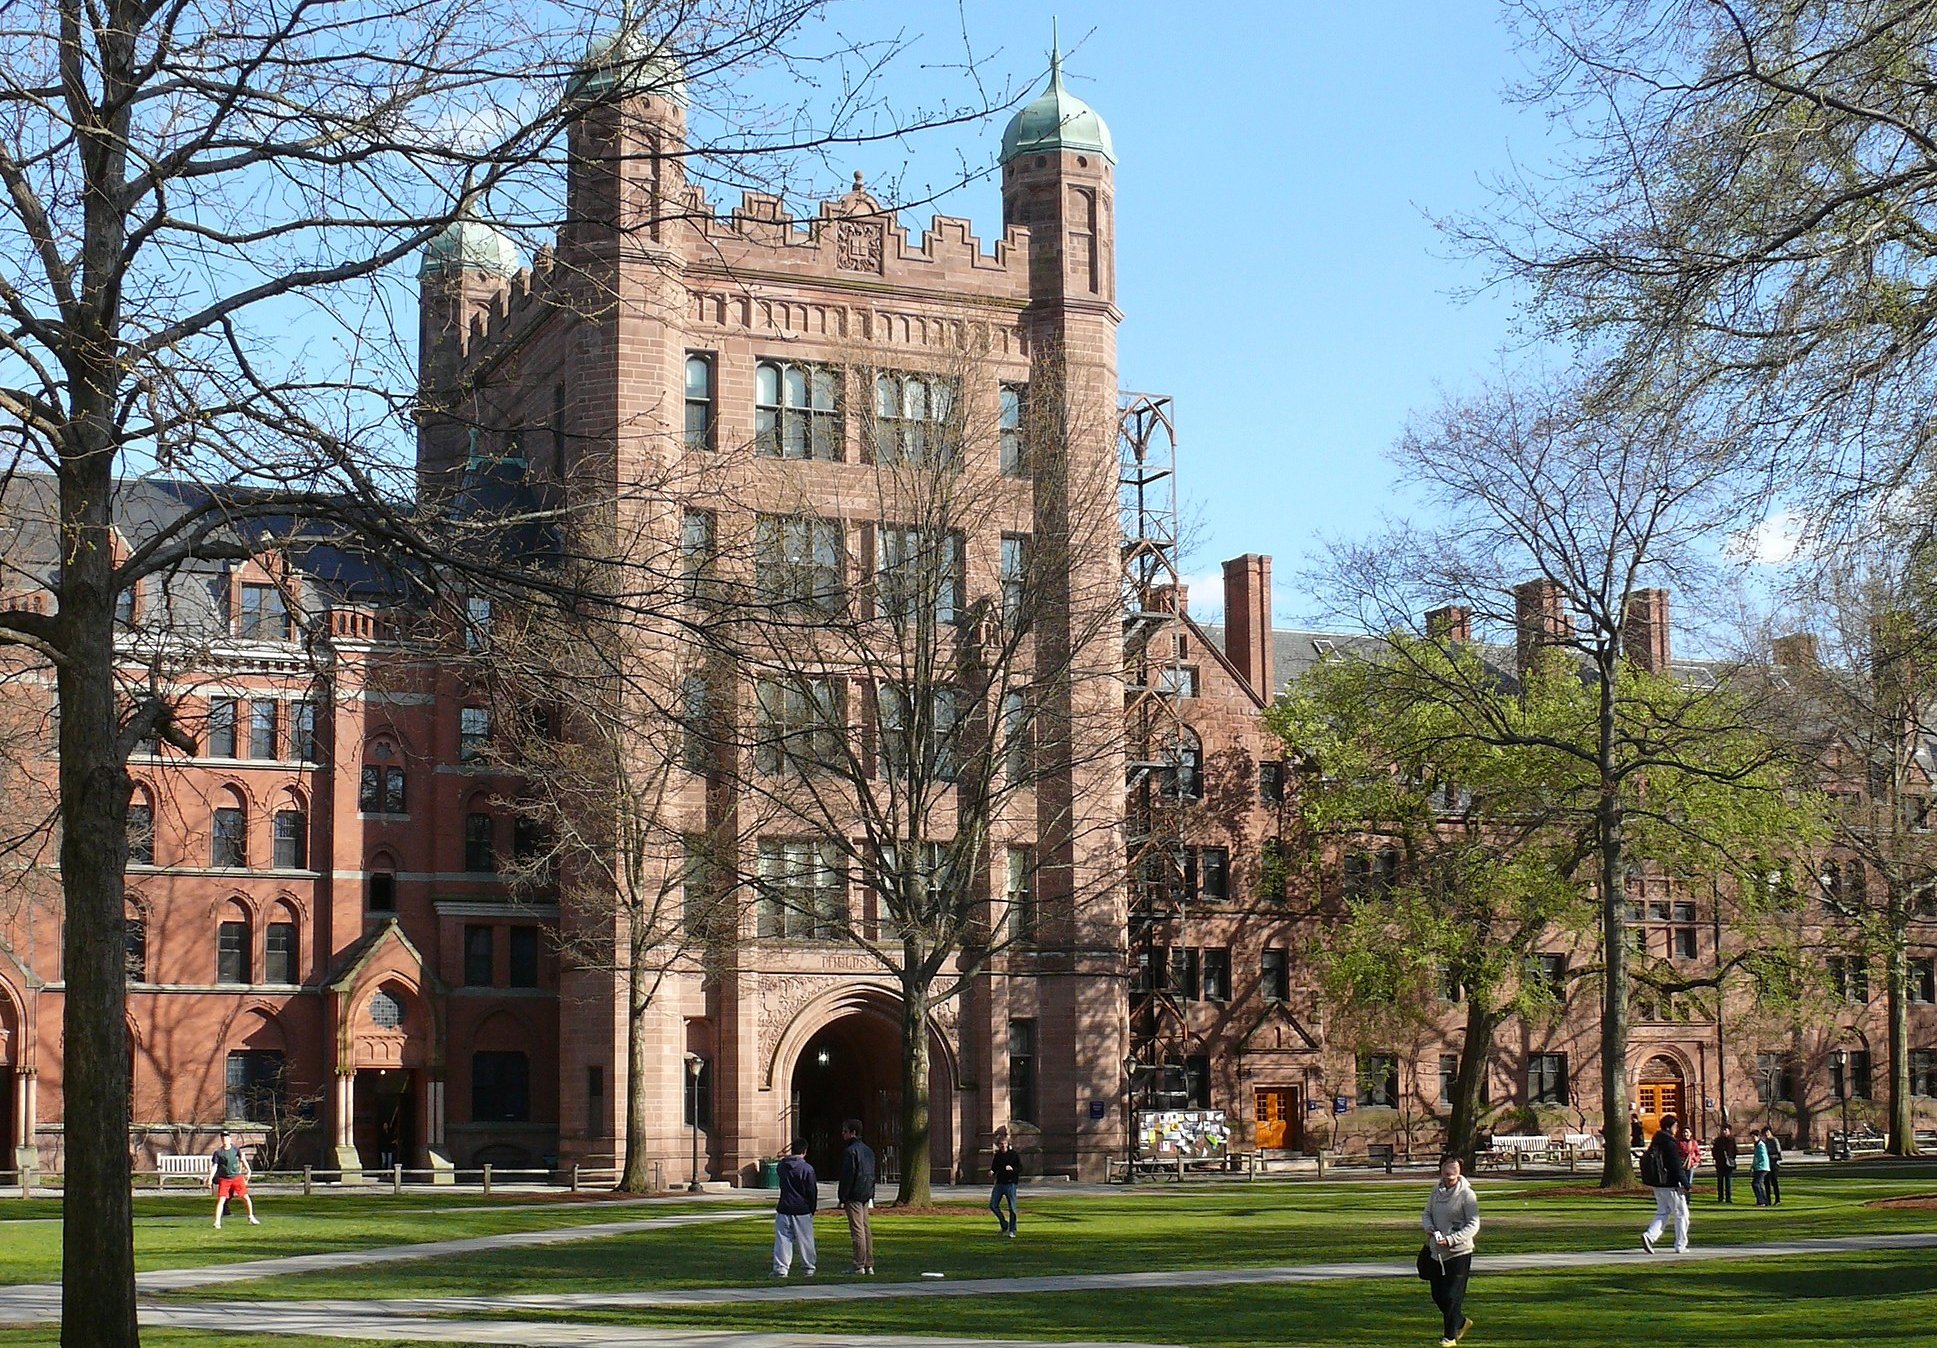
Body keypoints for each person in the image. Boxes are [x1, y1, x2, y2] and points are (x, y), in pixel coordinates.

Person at [1419, 1154, 1479, 1347]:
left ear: (1460, 1171)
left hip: (1459, 1252)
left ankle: (1449, 1337)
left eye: (1454, 1169)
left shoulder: (1467, 1195)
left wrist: (1452, 1239)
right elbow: (1427, 1213)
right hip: (1437, 1252)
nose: (1450, 1173)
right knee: (1438, 1295)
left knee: (1453, 1296)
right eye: (1447, 1169)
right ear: (1441, 1170)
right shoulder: (1436, 1191)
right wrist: (1429, 1228)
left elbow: (1473, 1224)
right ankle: (1460, 1322)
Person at [1640, 1115, 1690, 1253]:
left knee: (1663, 1212)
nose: (1676, 1129)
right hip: (1671, 1183)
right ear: (1669, 1127)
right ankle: (1681, 1244)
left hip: (1658, 1183)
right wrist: (1686, 1184)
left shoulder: (1656, 1141)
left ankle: (1650, 1235)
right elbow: (1676, 1166)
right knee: (1681, 1214)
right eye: (1675, 1126)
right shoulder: (1670, 1143)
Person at [772, 1137, 818, 1278]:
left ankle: (781, 1268)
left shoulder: (782, 1166)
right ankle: (808, 1266)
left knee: (783, 1240)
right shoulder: (807, 1169)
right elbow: (811, 1191)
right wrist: (812, 1208)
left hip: (784, 1206)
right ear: (804, 1151)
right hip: (801, 1208)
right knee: (805, 1240)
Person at [837, 1119, 875, 1275]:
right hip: (866, 1192)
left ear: (852, 1133)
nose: (843, 1134)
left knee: (857, 1230)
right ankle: (868, 1263)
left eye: (845, 1131)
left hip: (854, 1194)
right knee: (865, 1229)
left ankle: (859, 1264)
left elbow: (848, 1176)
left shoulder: (850, 1151)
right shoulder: (868, 1151)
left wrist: (842, 1196)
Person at [207, 1131, 259, 1229]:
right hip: (224, 1179)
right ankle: (217, 1222)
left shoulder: (236, 1149)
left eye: (226, 1138)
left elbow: (243, 1160)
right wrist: (210, 1179)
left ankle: (251, 1216)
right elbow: (214, 1166)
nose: (224, 1140)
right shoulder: (218, 1153)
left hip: (237, 1178)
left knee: (245, 1197)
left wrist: (248, 1171)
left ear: (230, 1139)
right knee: (222, 1199)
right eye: (223, 1138)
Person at [990, 1127, 1021, 1238]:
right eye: (1001, 1145)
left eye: (1004, 1144)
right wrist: (992, 1171)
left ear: (1007, 1144)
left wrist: (1012, 1168)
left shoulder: (1013, 1155)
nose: (1003, 1146)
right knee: (993, 1205)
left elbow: (1020, 1168)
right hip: (999, 1183)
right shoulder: (998, 1155)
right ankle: (1004, 1224)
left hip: (1010, 1183)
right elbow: (995, 1167)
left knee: (1012, 1208)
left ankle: (1013, 1230)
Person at [1712, 1123, 1738, 1203]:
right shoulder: (1718, 1140)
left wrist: (1731, 1158)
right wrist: (1716, 1158)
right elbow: (1714, 1151)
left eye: (1725, 1130)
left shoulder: (1732, 1140)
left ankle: (1728, 1198)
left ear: (1729, 1131)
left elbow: (1735, 1151)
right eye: (1722, 1130)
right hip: (1720, 1163)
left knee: (1728, 1181)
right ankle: (1720, 1197)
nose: (1723, 1132)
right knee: (1720, 1182)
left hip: (1728, 1164)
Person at [1750, 1128, 1772, 1206]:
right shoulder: (1757, 1145)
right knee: (1757, 1184)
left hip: (1762, 1168)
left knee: (1756, 1184)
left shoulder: (1761, 1145)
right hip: (1759, 1167)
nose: (1752, 1139)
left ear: (1758, 1136)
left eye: (1753, 1137)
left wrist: (1757, 1165)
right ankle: (1763, 1201)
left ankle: (1762, 1201)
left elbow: (1763, 1157)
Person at [1764, 1127, 1783, 1206]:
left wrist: (1770, 1155)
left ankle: (1777, 1199)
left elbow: (1778, 1152)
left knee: (1774, 1182)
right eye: (1765, 1133)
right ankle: (1768, 1200)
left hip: (1774, 1163)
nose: (1766, 1134)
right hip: (1767, 1163)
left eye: (1767, 1132)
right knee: (1766, 1182)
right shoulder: (1765, 1142)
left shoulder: (1774, 1140)